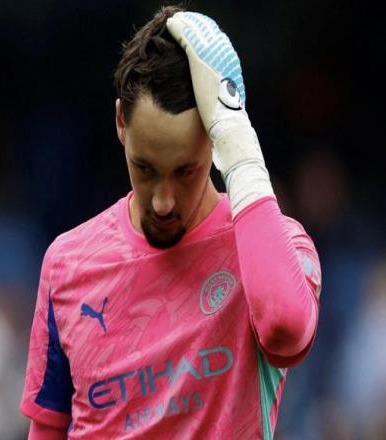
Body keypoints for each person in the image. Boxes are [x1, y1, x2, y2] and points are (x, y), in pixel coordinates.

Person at [20, 5, 321, 439]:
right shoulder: (66, 264)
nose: (162, 202)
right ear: (120, 123)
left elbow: (285, 331)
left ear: (214, 142)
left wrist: (238, 143)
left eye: (185, 171)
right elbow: (46, 430)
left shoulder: (275, 248)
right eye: (145, 168)